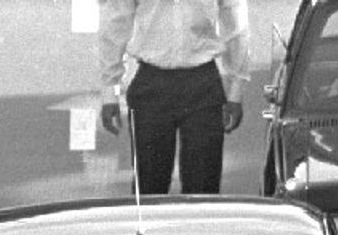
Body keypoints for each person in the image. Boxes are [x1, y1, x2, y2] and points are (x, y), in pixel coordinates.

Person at [98, 0, 250, 195]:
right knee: (149, 185)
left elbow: (236, 23)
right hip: (152, 83)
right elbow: (115, 22)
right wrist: (110, 91)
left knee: (204, 185)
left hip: (202, 82)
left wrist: (236, 90)